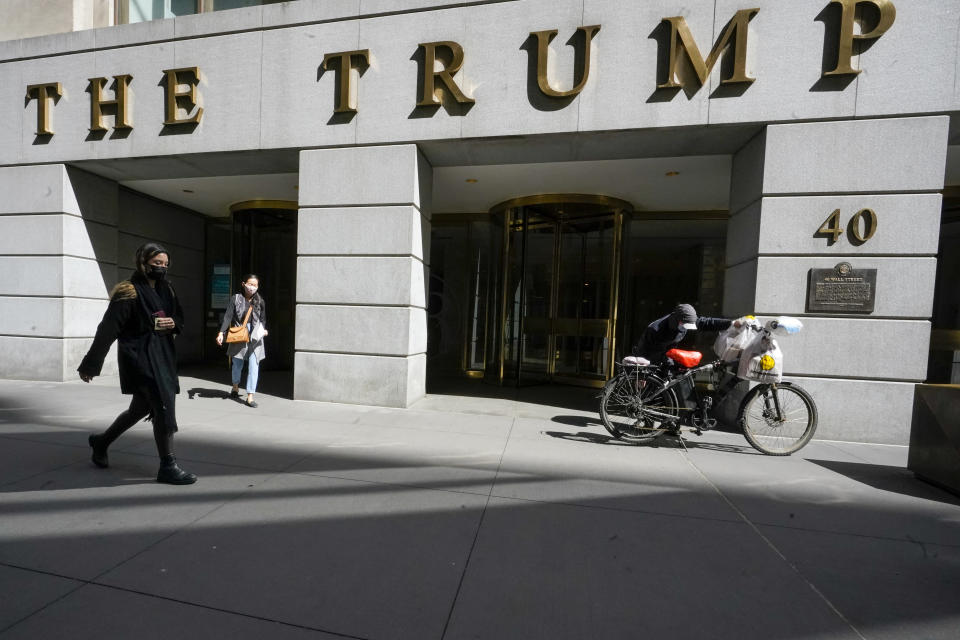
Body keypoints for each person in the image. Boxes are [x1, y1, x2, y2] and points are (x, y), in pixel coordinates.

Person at [78, 242, 197, 485]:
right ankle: (168, 465)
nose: (161, 268)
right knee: (163, 405)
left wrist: (173, 323)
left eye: (165, 264)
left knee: (140, 409)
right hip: (139, 358)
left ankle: (101, 442)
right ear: (143, 263)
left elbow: (180, 316)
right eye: (156, 264)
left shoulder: (167, 289)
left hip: (162, 355)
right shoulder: (128, 292)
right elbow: (107, 330)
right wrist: (91, 363)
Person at [216, 274, 268, 408]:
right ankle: (235, 386)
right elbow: (228, 316)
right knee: (237, 363)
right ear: (243, 284)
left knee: (253, 365)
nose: (252, 287)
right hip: (239, 333)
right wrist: (221, 332)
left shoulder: (260, 301)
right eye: (250, 284)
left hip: (255, 335)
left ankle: (250, 396)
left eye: (255, 285)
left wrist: (263, 330)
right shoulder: (236, 298)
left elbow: (263, 319)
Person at [632, 303, 732, 364]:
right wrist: (642, 374)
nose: (686, 327)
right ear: (677, 320)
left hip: (668, 353)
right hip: (651, 356)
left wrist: (731, 323)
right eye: (685, 325)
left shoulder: (687, 320)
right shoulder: (655, 329)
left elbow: (707, 322)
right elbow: (644, 352)